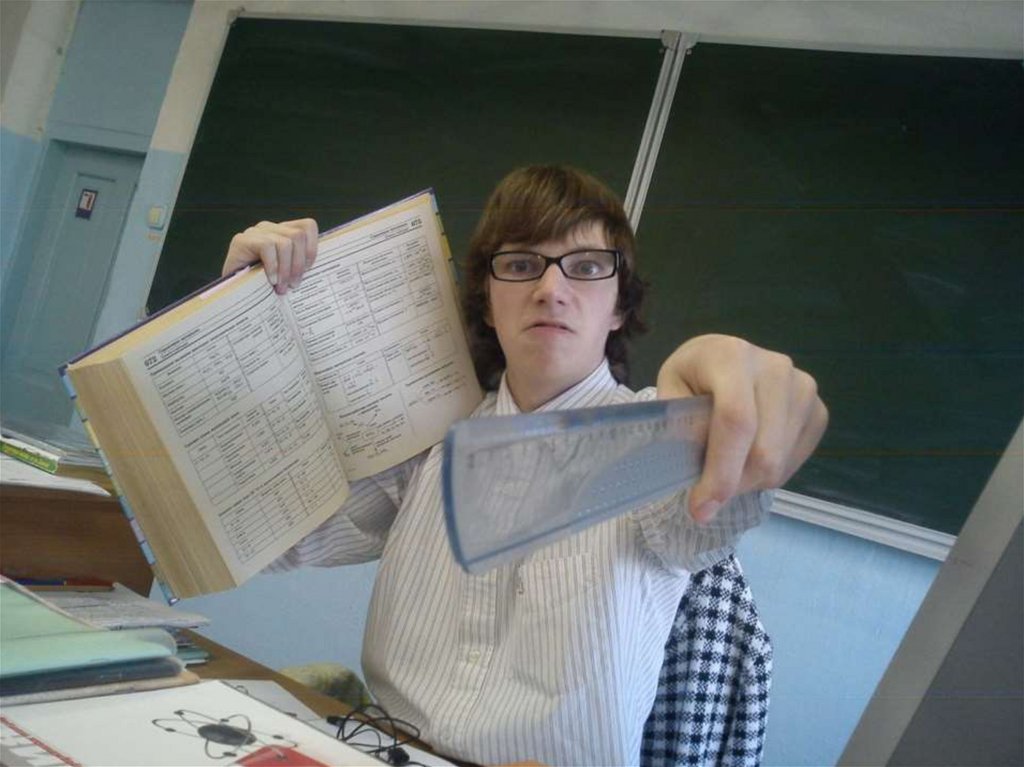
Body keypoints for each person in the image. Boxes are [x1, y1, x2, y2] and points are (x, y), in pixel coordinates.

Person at [222, 165, 827, 766]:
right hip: (390, 753)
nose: (550, 288)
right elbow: (258, 539)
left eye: (586, 267)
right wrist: (234, 320)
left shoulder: (651, 444)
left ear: (619, 307)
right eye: (519, 265)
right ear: (487, 303)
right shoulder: (428, 441)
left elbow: (706, 520)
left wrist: (732, 394)